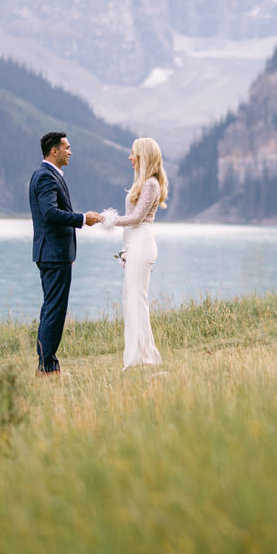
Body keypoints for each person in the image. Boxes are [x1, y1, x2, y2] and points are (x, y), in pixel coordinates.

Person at [29, 130, 101, 375]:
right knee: (54, 310)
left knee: (52, 308)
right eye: (67, 147)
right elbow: (49, 213)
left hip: (54, 253)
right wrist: (82, 218)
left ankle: (47, 364)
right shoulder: (45, 177)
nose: (71, 152)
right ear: (54, 151)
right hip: (53, 254)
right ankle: (47, 367)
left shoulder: (49, 175)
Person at [100, 137, 167, 368]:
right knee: (131, 300)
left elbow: (138, 217)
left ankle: (143, 358)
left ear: (143, 156)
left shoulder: (150, 184)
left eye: (133, 153)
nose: (129, 157)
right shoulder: (145, 182)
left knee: (137, 301)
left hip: (141, 243)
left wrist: (109, 220)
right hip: (134, 245)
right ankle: (139, 356)